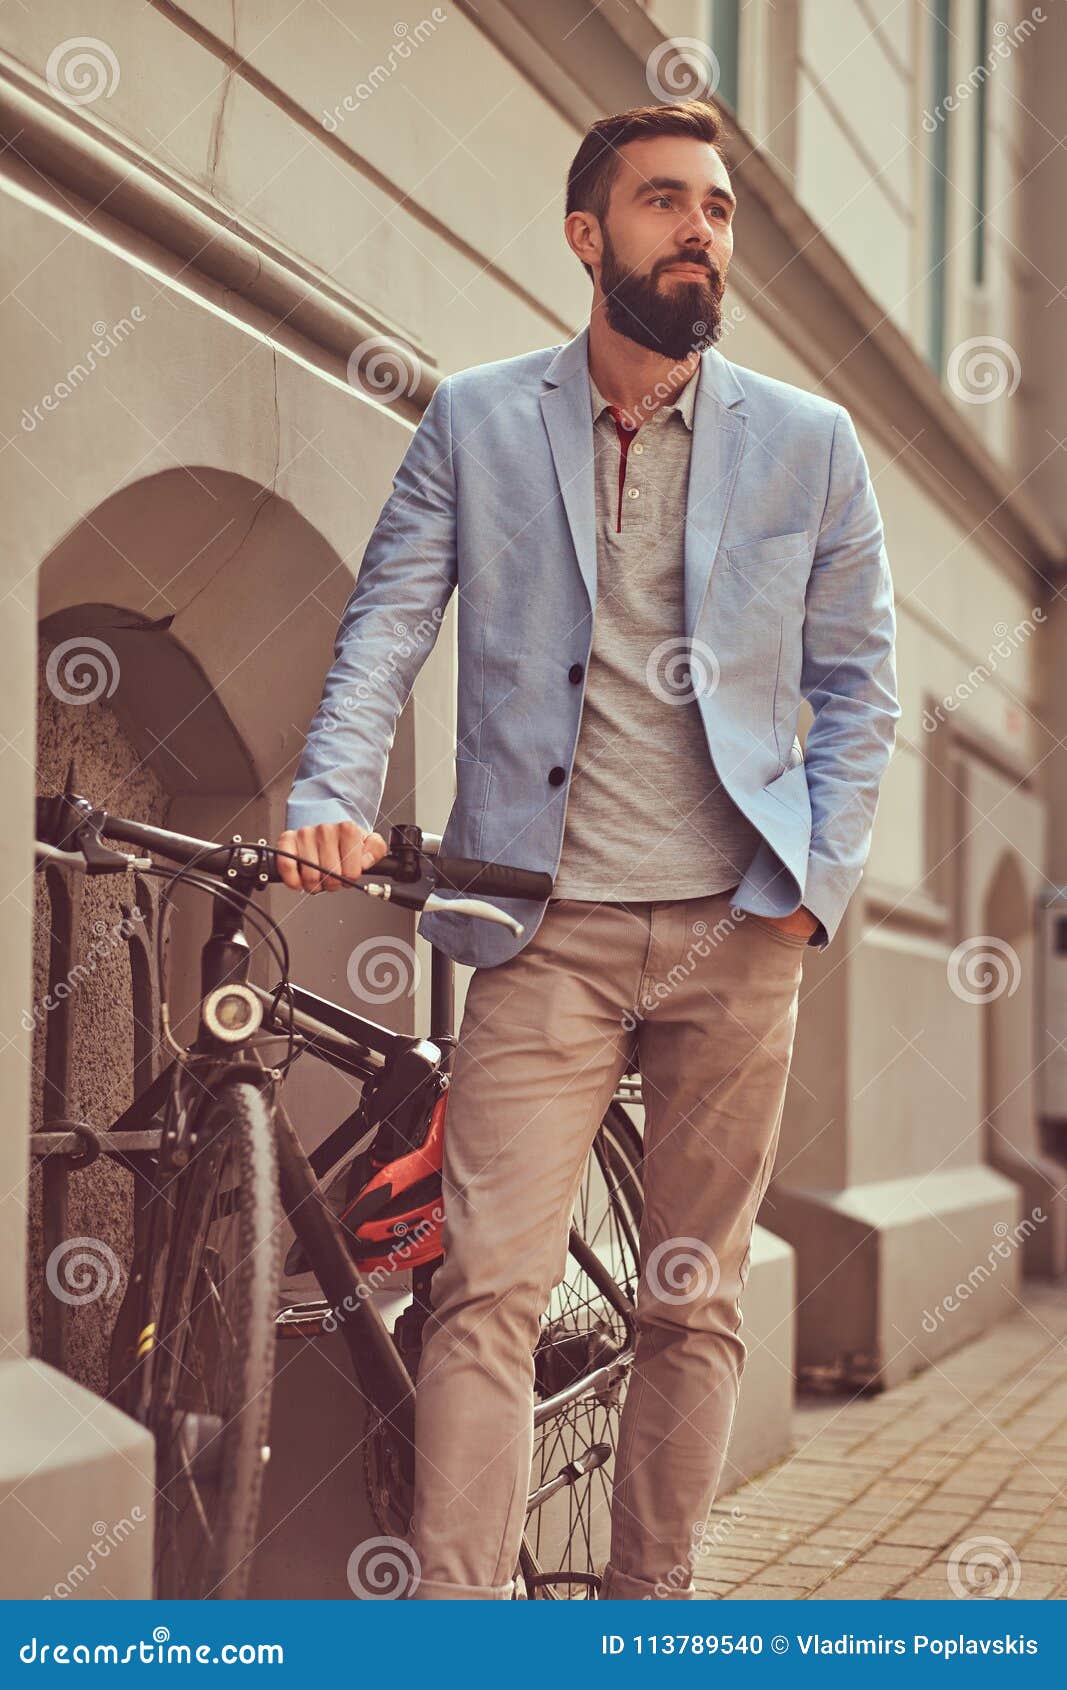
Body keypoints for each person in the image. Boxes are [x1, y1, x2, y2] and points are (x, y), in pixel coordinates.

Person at [277, 99, 900, 1600]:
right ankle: (462, 1628)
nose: (702, 230)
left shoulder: (810, 447)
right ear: (587, 235)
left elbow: (858, 691)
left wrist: (809, 894)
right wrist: (324, 790)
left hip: (734, 930)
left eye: (721, 208)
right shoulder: (481, 421)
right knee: (485, 1291)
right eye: (666, 202)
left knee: (691, 1306)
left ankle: (647, 1617)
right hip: (536, 926)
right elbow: (386, 625)